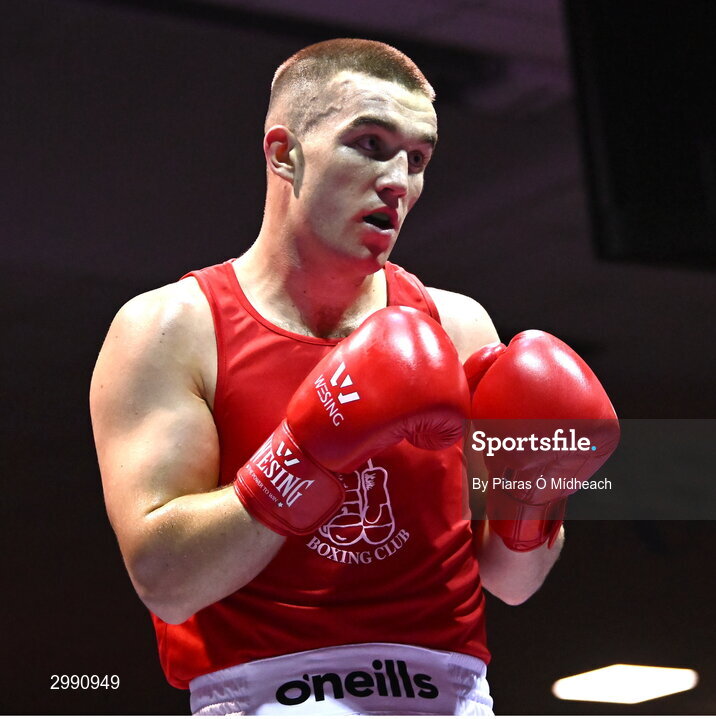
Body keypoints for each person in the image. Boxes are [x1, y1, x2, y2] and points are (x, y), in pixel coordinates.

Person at [90, 38, 617, 716]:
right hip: (267, 695)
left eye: (418, 158)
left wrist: (532, 497)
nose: (398, 179)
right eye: (370, 144)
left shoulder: (457, 329)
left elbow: (512, 582)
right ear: (284, 153)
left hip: (453, 696)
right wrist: (304, 451)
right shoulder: (172, 326)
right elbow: (164, 580)